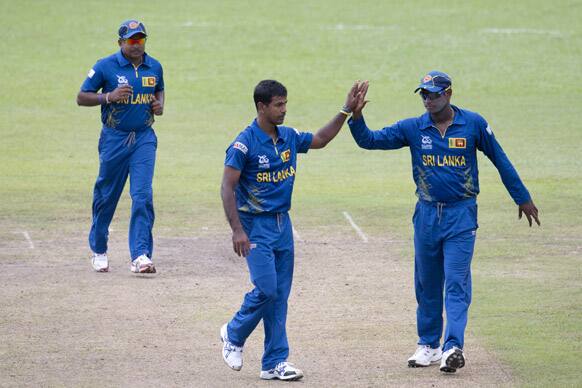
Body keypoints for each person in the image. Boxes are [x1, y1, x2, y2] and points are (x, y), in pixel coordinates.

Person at [347, 71, 540, 373]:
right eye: (424, 94)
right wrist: (355, 117)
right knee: (426, 284)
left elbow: (500, 159)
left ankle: (453, 346)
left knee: (456, 282)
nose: (428, 99)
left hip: (461, 214)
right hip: (425, 215)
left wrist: (522, 197)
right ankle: (428, 346)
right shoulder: (413, 128)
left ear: (449, 94)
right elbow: (370, 141)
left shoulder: (473, 124)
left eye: (434, 94)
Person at [220, 79, 367, 381]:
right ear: (262, 106)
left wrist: (345, 110)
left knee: (279, 297)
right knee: (267, 289)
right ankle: (233, 332)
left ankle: (274, 362)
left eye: (285, 103)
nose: (284, 110)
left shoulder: (288, 136)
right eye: (278, 104)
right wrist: (237, 230)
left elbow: (321, 139)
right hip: (254, 226)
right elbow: (227, 187)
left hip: (282, 225)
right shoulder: (243, 143)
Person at [77, 20, 164, 273]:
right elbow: (82, 97)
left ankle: (140, 256)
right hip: (114, 139)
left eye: (140, 40)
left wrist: (159, 105)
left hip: (144, 138)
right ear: (121, 43)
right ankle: (99, 248)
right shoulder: (105, 66)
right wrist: (108, 96)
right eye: (131, 41)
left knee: (142, 196)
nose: (137, 45)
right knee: (106, 195)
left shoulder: (154, 66)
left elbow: (159, 90)